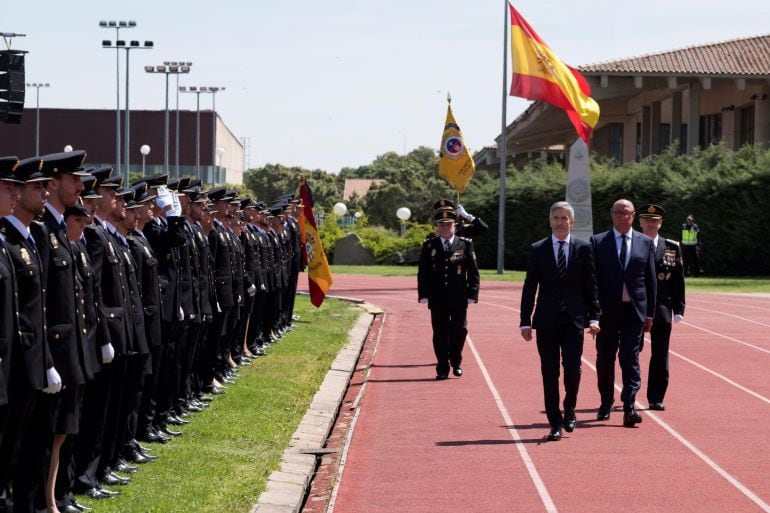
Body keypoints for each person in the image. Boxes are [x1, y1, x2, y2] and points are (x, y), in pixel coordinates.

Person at [519, 201, 600, 441]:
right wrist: (525, 320)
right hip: (546, 321)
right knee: (549, 372)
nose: (560, 222)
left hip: (574, 321)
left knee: (573, 369)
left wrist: (594, 316)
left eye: (565, 218)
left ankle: (570, 408)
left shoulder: (584, 248)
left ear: (572, 222)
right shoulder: (538, 249)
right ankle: (554, 421)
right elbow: (529, 286)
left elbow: (591, 286)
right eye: (556, 218)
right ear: (550, 221)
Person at [590, 199, 656, 428]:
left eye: (626, 213)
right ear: (611, 215)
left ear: (633, 215)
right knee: (605, 359)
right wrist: (593, 312)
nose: (622, 216)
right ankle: (605, 402)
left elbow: (650, 281)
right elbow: (593, 280)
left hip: (634, 312)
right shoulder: (598, 242)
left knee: (630, 358)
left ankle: (629, 406)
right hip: (607, 311)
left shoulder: (645, 243)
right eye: (617, 212)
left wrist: (650, 314)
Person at [417, 204, 479, 380]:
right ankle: (442, 367)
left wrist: (473, 294)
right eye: (442, 225)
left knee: (460, 330)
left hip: (459, 296)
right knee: (440, 333)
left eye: (448, 224)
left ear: (454, 225)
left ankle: (456, 360)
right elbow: (423, 272)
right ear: (437, 226)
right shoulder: (430, 245)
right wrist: (423, 294)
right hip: (437, 297)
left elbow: (473, 271)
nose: (445, 228)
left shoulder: (465, 244)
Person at [637, 204, 685, 411]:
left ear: (661, 223)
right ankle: (630, 391)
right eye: (647, 220)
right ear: (640, 222)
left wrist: (679, 308)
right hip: (636, 306)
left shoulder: (672, 247)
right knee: (630, 351)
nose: (651, 223)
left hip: (661, 306)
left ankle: (656, 397)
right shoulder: (631, 243)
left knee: (660, 352)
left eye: (655, 220)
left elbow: (678, 280)